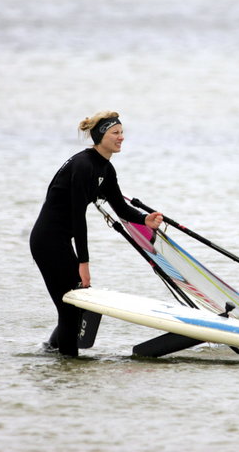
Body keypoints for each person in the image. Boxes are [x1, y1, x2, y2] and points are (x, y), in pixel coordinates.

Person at [30, 111, 163, 356]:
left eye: (122, 132)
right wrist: (84, 263)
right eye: (115, 133)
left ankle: (51, 350)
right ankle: (68, 363)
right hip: (48, 241)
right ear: (101, 136)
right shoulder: (83, 165)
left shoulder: (105, 168)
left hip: (61, 242)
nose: (121, 137)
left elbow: (120, 207)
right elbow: (77, 217)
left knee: (75, 305)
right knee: (71, 307)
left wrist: (145, 218)